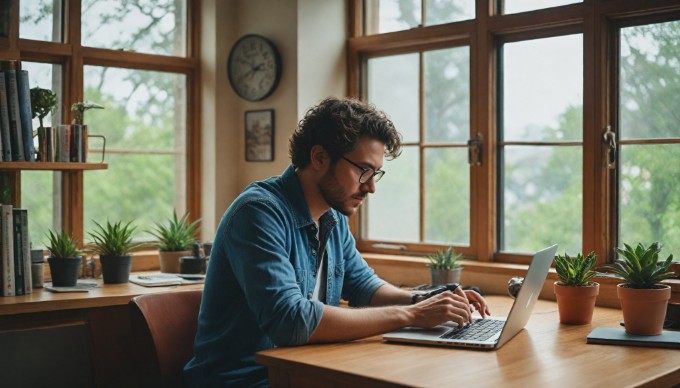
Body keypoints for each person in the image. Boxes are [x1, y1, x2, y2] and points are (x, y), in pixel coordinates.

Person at [183, 97, 490, 387]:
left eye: (376, 173)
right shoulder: (259, 213)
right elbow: (289, 320)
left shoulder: (333, 216)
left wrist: (425, 302)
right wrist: (410, 316)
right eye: (363, 170)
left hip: (303, 373)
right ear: (319, 157)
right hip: (243, 381)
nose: (371, 187)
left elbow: (362, 285)